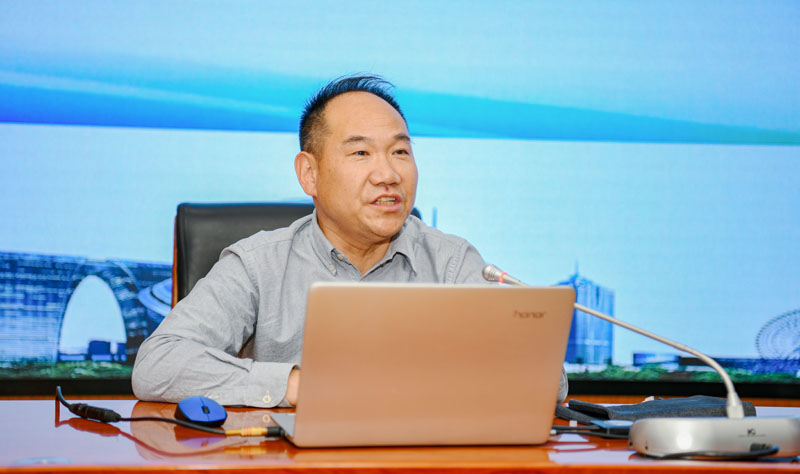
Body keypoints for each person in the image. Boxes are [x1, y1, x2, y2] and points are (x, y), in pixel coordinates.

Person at [132, 75, 568, 407]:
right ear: (310, 174)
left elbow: (548, 377)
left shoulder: (451, 261)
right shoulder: (258, 264)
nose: (389, 174)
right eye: (361, 153)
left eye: (400, 152)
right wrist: (300, 386)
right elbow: (158, 364)